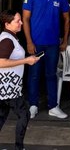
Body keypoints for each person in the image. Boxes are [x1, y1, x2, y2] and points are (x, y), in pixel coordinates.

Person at [22, 0, 70, 119]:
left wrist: (65, 40)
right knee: (34, 75)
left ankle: (53, 106)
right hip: (35, 43)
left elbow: (67, 19)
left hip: (53, 44)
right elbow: (25, 19)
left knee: (51, 74)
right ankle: (33, 105)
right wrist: (29, 41)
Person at [0, 10, 40, 150]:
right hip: (8, 86)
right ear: (7, 24)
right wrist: (26, 60)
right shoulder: (7, 40)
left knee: (2, 116)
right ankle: (19, 147)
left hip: (6, 86)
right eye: (17, 21)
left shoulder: (10, 37)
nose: (21, 23)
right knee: (24, 114)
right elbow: (1, 62)